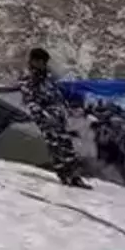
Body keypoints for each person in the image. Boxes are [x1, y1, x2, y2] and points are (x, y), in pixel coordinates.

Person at [20, 48, 90, 189]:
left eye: (44, 62)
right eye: (40, 61)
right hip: (46, 119)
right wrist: (44, 116)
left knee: (66, 145)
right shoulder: (29, 78)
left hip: (58, 116)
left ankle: (73, 176)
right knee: (57, 146)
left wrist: (65, 110)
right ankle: (65, 175)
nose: (43, 64)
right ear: (34, 61)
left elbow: (56, 95)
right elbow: (30, 102)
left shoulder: (47, 77)